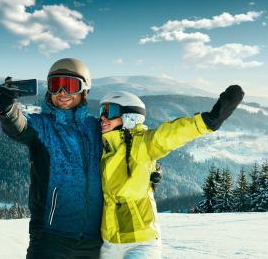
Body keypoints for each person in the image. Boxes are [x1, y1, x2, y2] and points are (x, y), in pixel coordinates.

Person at [98, 85, 244, 258]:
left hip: (140, 242)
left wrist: (207, 121)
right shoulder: (101, 147)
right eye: (102, 110)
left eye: (110, 111)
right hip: (108, 244)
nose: (103, 117)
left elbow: (170, 134)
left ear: (130, 116)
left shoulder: (143, 144)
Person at [0, 58, 103, 259]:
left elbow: (124, 154)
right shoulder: (41, 126)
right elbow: (19, 126)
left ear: (85, 90)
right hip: (50, 238)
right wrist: (6, 108)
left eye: (69, 85)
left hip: (94, 241)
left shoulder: (97, 129)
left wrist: (149, 171)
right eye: (55, 85)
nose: (62, 92)